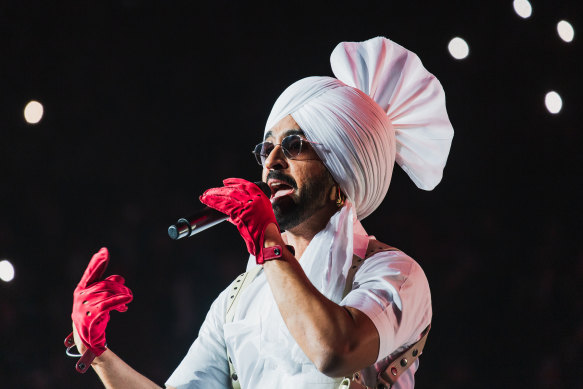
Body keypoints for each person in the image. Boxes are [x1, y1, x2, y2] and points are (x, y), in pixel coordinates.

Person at [65, 36, 454, 389]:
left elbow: (336, 351)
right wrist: (99, 356)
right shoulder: (237, 300)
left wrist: (268, 243)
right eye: (265, 148)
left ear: (345, 168)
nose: (271, 161)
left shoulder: (394, 274)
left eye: (294, 144)